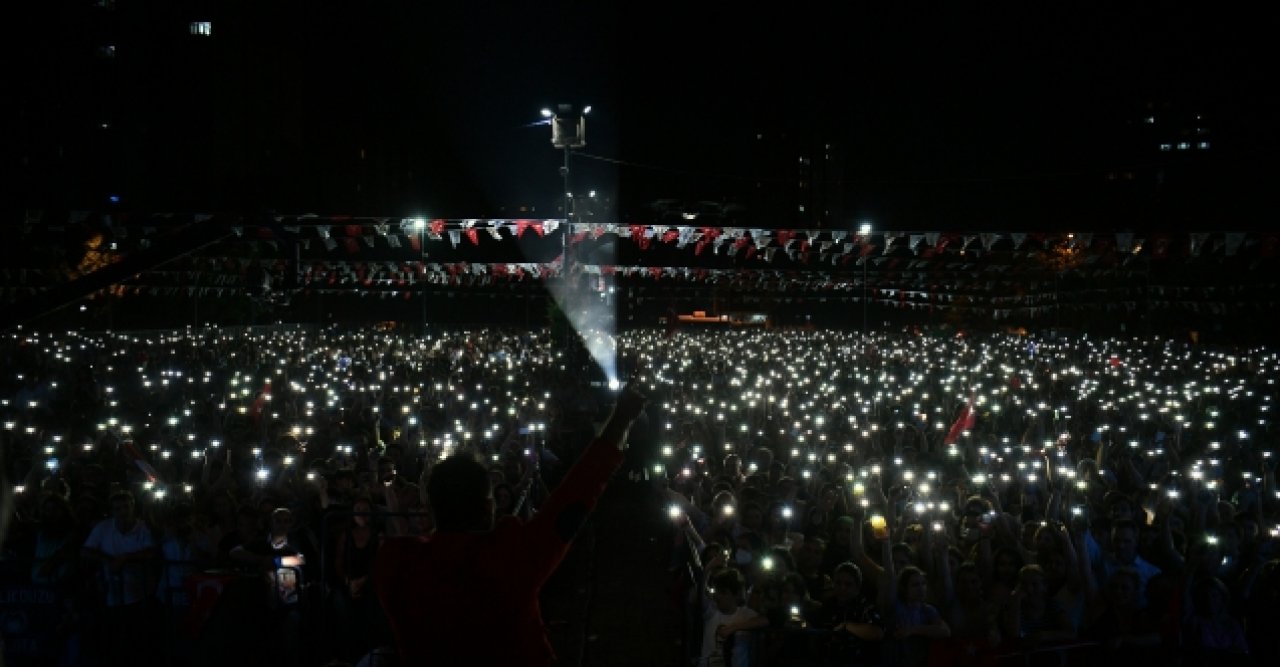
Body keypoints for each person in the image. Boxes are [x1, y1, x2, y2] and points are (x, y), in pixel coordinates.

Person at [373, 382, 648, 666]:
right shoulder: (509, 557)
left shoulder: (396, 566)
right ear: (488, 507)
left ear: (430, 508)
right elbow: (579, 491)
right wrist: (622, 418)